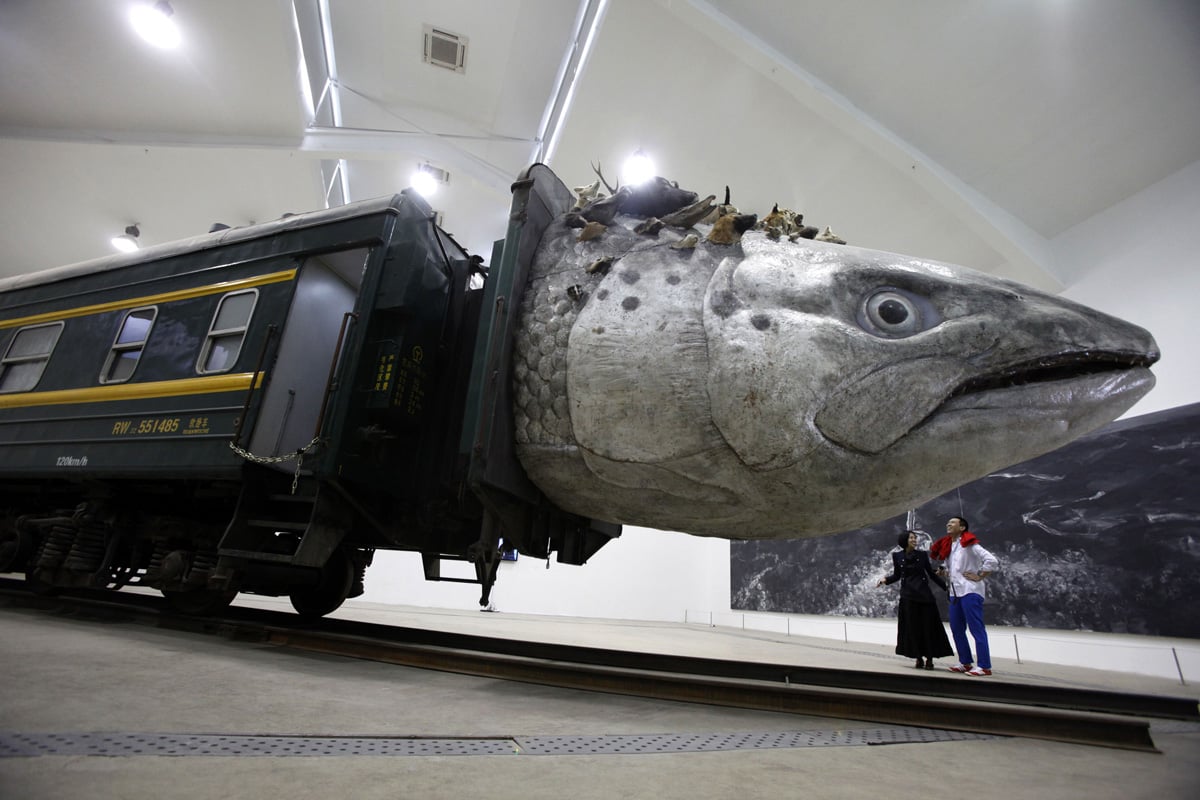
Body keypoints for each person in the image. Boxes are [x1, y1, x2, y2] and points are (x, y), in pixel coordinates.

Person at [931, 516, 999, 676]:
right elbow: (952, 570)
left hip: (970, 591)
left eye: (953, 522)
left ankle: (984, 666)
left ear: (962, 528)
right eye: (948, 522)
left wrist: (980, 575)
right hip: (955, 592)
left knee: (976, 629)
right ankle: (965, 662)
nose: (948, 524)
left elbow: (991, 560)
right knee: (956, 629)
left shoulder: (970, 545)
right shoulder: (948, 546)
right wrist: (943, 572)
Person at [876, 530, 954, 670]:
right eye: (912, 538)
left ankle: (929, 658)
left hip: (924, 596)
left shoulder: (923, 555)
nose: (914, 540)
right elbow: (897, 575)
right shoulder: (897, 556)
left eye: (915, 538)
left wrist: (946, 588)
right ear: (905, 540)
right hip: (908, 596)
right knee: (913, 627)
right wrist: (885, 580)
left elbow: (931, 574)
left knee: (928, 627)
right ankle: (918, 658)